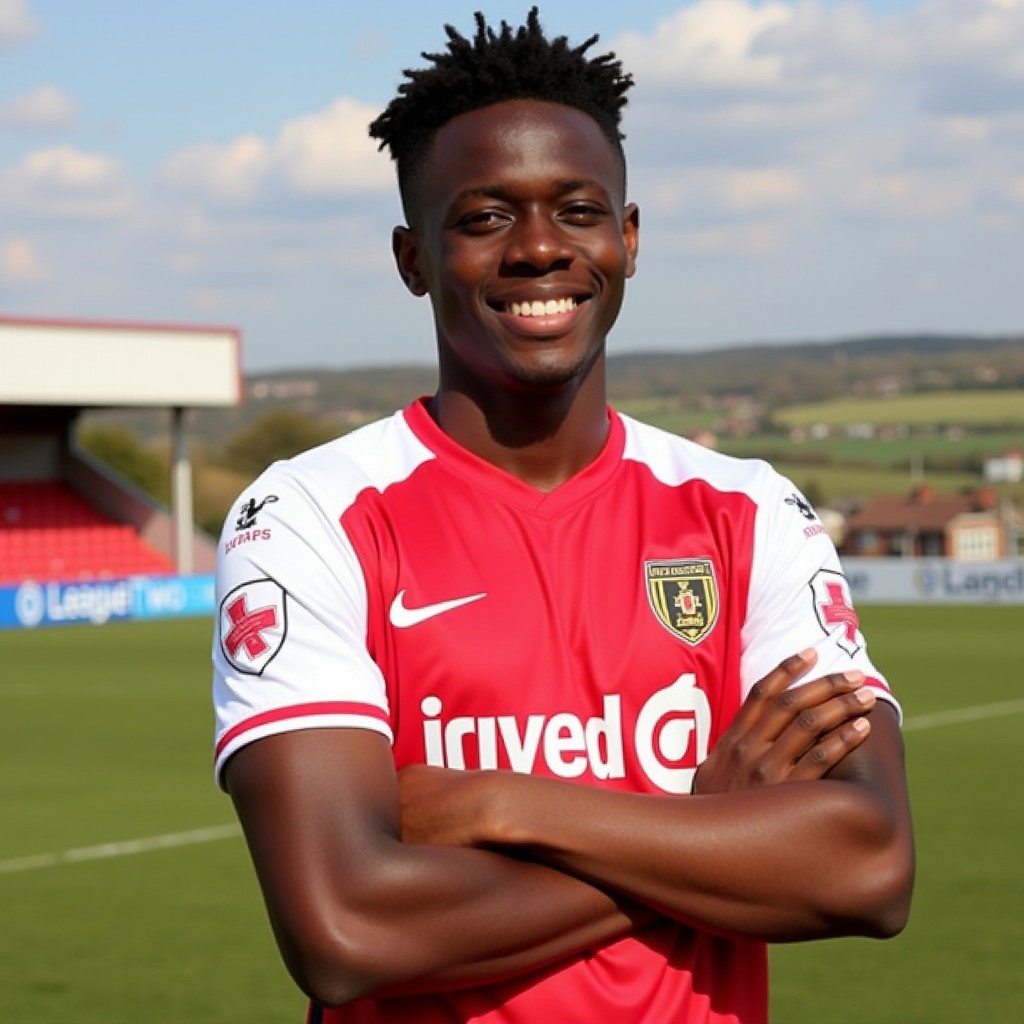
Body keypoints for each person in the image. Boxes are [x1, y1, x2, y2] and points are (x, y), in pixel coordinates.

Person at [211, 9, 914, 1022]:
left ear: (626, 239)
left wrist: (502, 805)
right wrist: (703, 831)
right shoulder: (309, 516)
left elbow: (869, 865)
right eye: (485, 216)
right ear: (413, 258)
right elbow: (347, 928)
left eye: (577, 210)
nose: (539, 249)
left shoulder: (749, 508)